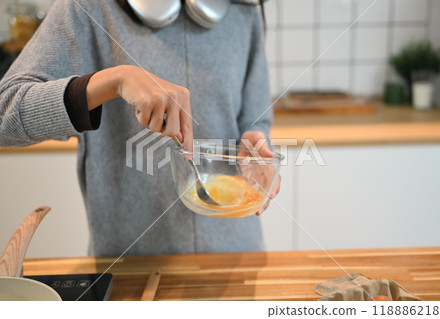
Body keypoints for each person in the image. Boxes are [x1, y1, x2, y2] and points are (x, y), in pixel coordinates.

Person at [0, 0, 280, 256]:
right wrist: (115, 80)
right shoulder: (86, 8)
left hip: (239, 256)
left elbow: (254, 118)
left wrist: (255, 140)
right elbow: (6, 112)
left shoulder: (244, 10)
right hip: (131, 264)